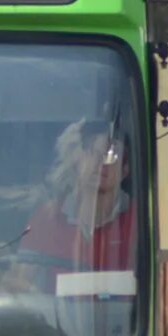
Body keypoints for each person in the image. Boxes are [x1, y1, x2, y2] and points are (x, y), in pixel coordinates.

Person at [18, 118, 138, 275]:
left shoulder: (140, 220)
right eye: (91, 151)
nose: (99, 162)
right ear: (77, 160)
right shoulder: (46, 217)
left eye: (111, 154)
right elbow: (20, 280)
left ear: (125, 169)